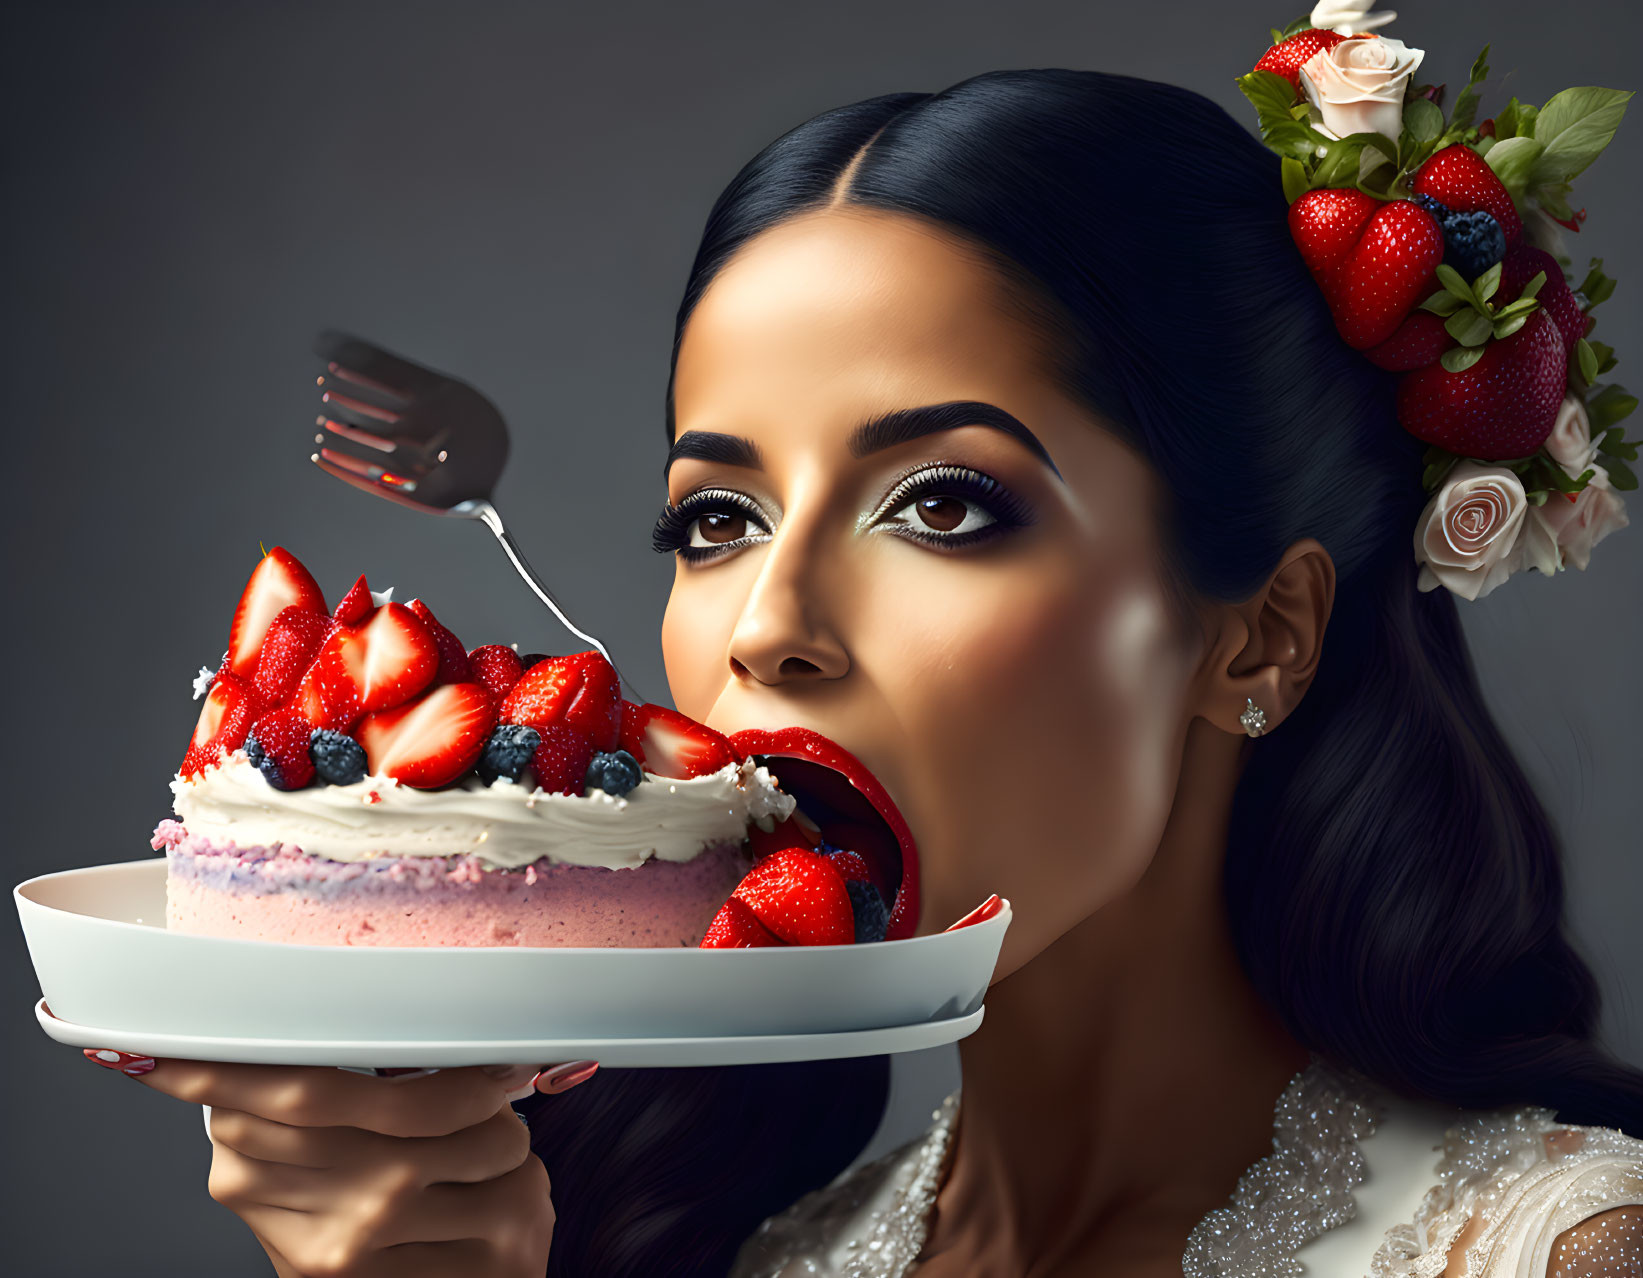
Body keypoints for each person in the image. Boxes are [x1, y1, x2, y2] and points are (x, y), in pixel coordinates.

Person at [91, 28, 1643, 1278]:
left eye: (946, 502)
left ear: (1259, 634)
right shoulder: (762, 1252)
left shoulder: (1557, 1247)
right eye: (715, 520)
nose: (766, 625)